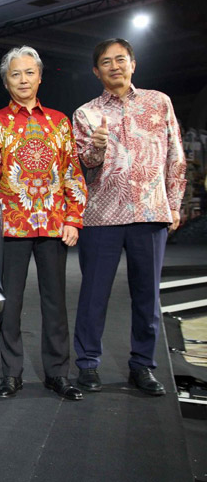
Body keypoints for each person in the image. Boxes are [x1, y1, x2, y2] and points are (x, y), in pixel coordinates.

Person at [72, 38, 186, 396]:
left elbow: (176, 155)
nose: (115, 66)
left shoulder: (159, 102)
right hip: (101, 216)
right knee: (93, 296)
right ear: (96, 71)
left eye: (120, 59)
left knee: (147, 297)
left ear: (133, 64)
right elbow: (84, 164)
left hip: (150, 212)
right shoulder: (85, 113)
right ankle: (87, 364)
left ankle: (143, 365)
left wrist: (174, 204)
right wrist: (97, 147)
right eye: (106, 62)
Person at [0, 46, 87, 401]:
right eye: (15, 74)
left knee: (56, 303)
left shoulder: (59, 122)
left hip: (54, 224)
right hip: (12, 225)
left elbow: (72, 173)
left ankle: (58, 374)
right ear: (6, 81)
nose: (23, 80)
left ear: (39, 77)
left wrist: (74, 219)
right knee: (10, 304)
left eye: (29, 73)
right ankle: (11, 374)